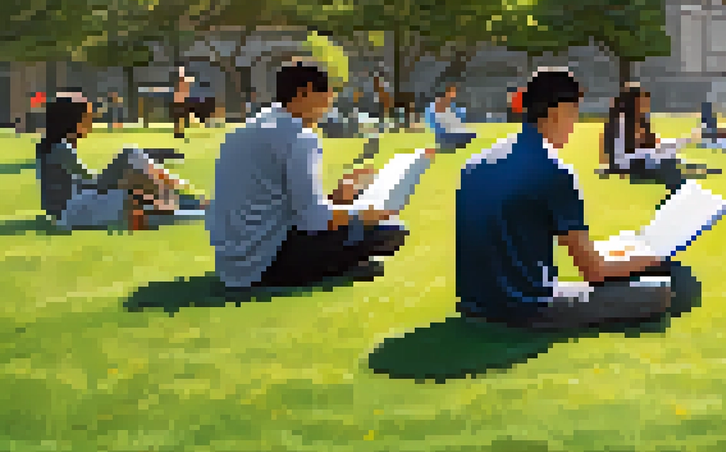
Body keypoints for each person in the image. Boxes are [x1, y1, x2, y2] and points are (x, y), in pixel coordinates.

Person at [457, 68, 686, 330]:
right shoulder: (555, 171)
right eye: (574, 114)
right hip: (526, 308)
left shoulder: (474, 163)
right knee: (662, 288)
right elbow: (594, 271)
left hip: (475, 303)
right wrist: (653, 257)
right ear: (558, 112)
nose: (574, 124)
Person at [207, 61, 410, 289]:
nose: (331, 99)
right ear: (305, 93)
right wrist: (364, 214)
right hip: (266, 262)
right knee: (391, 229)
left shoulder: (249, 127)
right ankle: (334, 267)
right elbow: (313, 220)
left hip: (230, 263)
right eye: (326, 91)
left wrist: (339, 196)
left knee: (358, 220)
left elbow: (286, 207)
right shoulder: (300, 137)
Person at [37, 93, 194, 230]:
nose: (91, 123)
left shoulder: (54, 146)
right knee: (132, 165)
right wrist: (123, 181)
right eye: (88, 118)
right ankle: (184, 197)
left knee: (132, 160)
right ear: (73, 121)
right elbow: (91, 182)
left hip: (75, 202)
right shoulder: (61, 149)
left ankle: (181, 197)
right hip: (72, 208)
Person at [602, 84, 687, 191]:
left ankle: (678, 188)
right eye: (643, 102)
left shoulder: (637, 120)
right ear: (633, 103)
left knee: (669, 159)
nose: (646, 106)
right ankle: (677, 190)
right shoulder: (622, 121)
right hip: (627, 163)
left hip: (635, 159)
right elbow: (622, 153)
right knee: (668, 163)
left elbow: (646, 144)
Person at [426, 83, 477, 152]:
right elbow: (435, 124)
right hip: (446, 135)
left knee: (472, 136)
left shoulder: (451, 105)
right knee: (471, 137)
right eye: (452, 91)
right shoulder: (437, 105)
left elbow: (458, 119)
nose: (454, 94)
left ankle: (449, 146)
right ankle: (447, 146)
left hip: (453, 133)